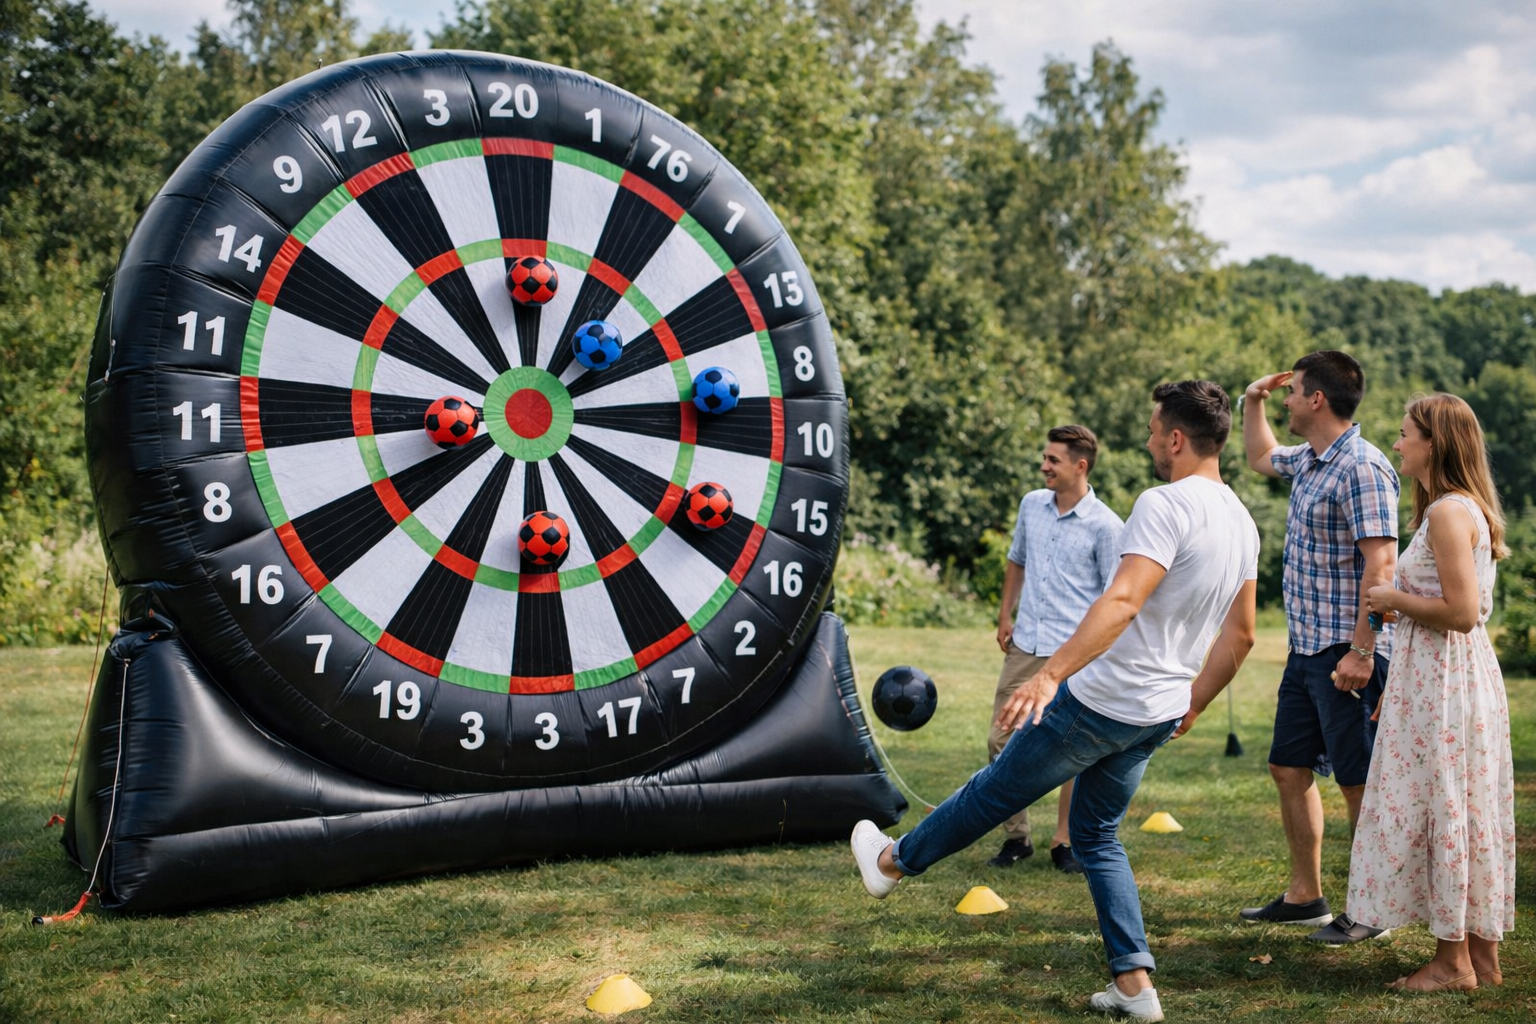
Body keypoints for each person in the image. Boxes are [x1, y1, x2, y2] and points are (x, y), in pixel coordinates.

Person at [851, 381, 1259, 1024]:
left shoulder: (1163, 503)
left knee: (994, 791)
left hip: (1103, 701)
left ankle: (891, 862)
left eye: (1154, 430)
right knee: (1096, 834)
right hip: (1156, 711)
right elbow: (1243, 634)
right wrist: (1195, 702)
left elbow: (1121, 601)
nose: (1149, 441)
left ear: (1177, 439)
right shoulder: (1241, 519)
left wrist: (1049, 677)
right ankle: (1134, 986)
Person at [1346, 394, 1514, 991]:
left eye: (1404, 434)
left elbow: (1462, 613)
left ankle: (1451, 962)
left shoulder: (1447, 512)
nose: (1397, 444)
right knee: (1464, 804)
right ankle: (1481, 956)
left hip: (1445, 678)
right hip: (1445, 675)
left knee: (1445, 803)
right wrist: (1406, 612)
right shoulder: (1459, 508)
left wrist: (1391, 598)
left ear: (1434, 443)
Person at [1238, 351, 1398, 945]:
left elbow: (1382, 565)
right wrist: (1252, 400)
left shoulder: (1363, 466)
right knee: (1287, 767)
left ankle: (1373, 908)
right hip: (1306, 649)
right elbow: (1259, 456)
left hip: (1347, 652)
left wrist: (1363, 650)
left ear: (1317, 399)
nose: (1286, 399)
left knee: (1358, 782)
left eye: (1292, 390)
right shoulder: (1309, 460)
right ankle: (1305, 898)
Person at [988, 424, 1124, 873]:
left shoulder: (1107, 526)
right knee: (999, 740)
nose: (1044, 466)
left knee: (1072, 750)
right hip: (1026, 645)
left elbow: (1114, 598)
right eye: (1045, 458)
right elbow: (1017, 560)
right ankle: (1017, 838)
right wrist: (1005, 614)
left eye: (1053, 460)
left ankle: (1063, 842)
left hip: (1075, 655)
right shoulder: (1032, 505)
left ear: (1080, 466)